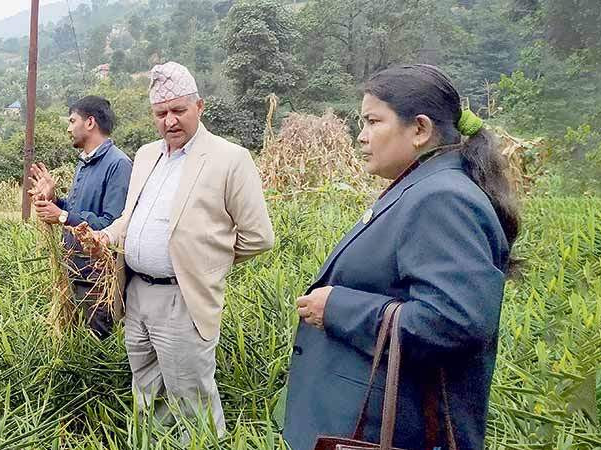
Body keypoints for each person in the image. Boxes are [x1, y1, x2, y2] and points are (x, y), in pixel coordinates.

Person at [283, 64, 520, 449]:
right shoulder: (422, 186)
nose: (361, 137)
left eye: (372, 121)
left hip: (389, 429)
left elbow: (454, 322)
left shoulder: (443, 198)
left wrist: (338, 308)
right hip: (362, 418)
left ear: (420, 129)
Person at [90, 62, 275, 437]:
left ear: (199, 107)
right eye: (161, 113)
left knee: (191, 397)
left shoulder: (229, 158)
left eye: (179, 110)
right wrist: (107, 236)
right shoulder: (145, 155)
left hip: (183, 296)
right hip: (137, 292)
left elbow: (259, 236)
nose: (170, 121)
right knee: (146, 391)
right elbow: (130, 216)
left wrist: (203, 263)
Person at [29, 95, 132, 339]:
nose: (68, 128)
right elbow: (78, 211)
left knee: (97, 346)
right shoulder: (84, 163)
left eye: (72, 120)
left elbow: (112, 224)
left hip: (98, 279)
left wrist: (62, 216)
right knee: (76, 344)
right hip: (74, 271)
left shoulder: (118, 164)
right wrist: (54, 202)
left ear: (90, 123)